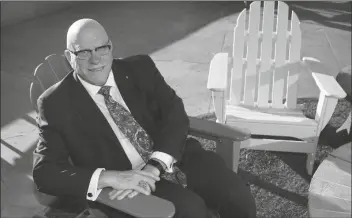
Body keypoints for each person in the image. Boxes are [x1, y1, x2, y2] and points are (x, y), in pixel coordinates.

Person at [33, 18, 256, 218]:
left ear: (111, 46)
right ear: (68, 56)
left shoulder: (140, 68)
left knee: (235, 193)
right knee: (191, 209)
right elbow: (45, 173)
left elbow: (175, 113)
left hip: (172, 153)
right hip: (126, 182)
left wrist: (155, 166)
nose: (95, 60)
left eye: (101, 48)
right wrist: (110, 178)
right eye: (83, 52)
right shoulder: (55, 103)